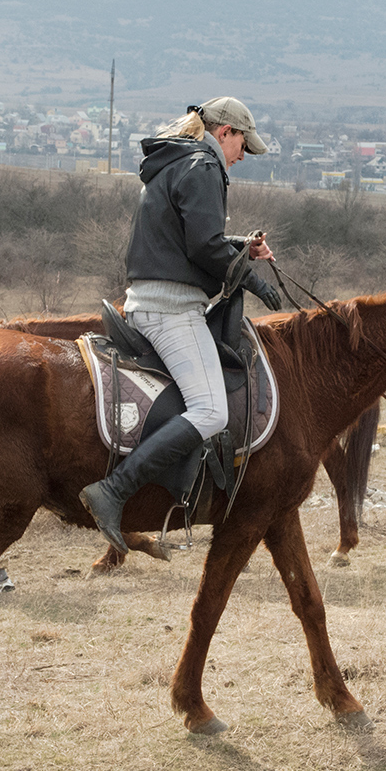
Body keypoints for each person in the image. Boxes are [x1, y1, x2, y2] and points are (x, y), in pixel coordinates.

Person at [79, 96, 284, 555]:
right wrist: (250, 277)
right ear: (224, 132)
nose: (243, 155)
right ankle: (112, 491)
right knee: (212, 411)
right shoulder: (204, 166)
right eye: (242, 145)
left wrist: (239, 247)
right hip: (171, 309)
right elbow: (205, 249)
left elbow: (190, 238)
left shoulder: (176, 160)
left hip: (150, 299)